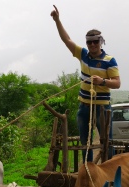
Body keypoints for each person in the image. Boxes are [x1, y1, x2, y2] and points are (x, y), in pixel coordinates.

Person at [50, 5, 121, 162]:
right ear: (87, 44)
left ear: (100, 42)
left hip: (103, 108)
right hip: (84, 106)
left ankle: (109, 170)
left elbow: (117, 83)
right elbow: (66, 39)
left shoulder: (110, 61)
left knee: (106, 142)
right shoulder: (83, 54)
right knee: (85, 142)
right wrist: (57, 20)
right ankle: (89, 170)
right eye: (90, 42)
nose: (93, 45)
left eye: (95, 42)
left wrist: (102, 81)